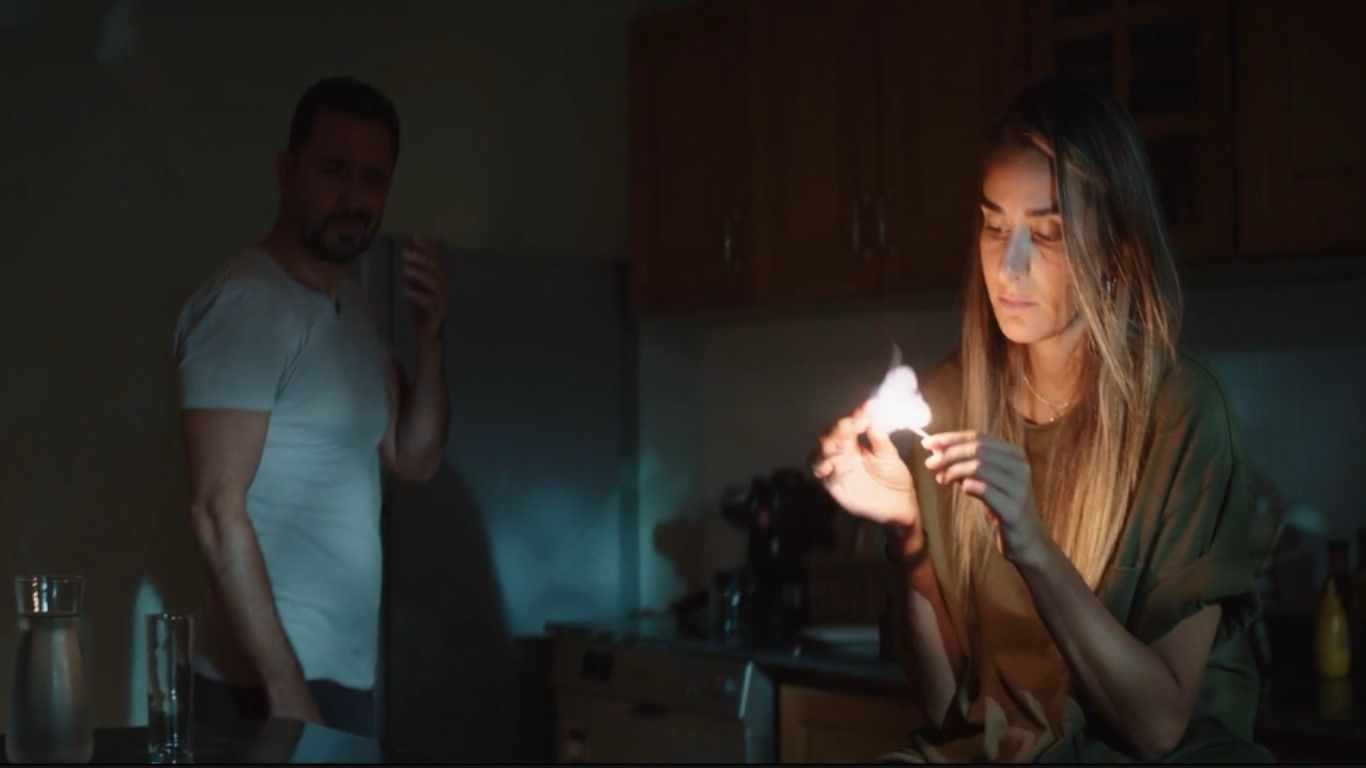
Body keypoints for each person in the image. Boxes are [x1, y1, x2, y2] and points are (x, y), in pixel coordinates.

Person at [810, 77, 1269, 762]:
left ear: (1116, 246)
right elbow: (948, 712)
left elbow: (1159, 728)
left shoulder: (1183, 417)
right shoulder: (953, 400)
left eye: (1047, 233)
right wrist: (910, 537)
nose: (1009, 266)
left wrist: (1032, 547)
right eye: (995, 227)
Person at [173, 76, 450, 737]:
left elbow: (414, 459)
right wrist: (289, 696)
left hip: (343, 677)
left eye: (373, 178)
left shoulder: (354, 305)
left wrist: (431, 341)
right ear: (286, 172)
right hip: (260, 689)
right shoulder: (247, 304)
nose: (354, 197)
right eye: (333, 170)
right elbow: (215, 511)